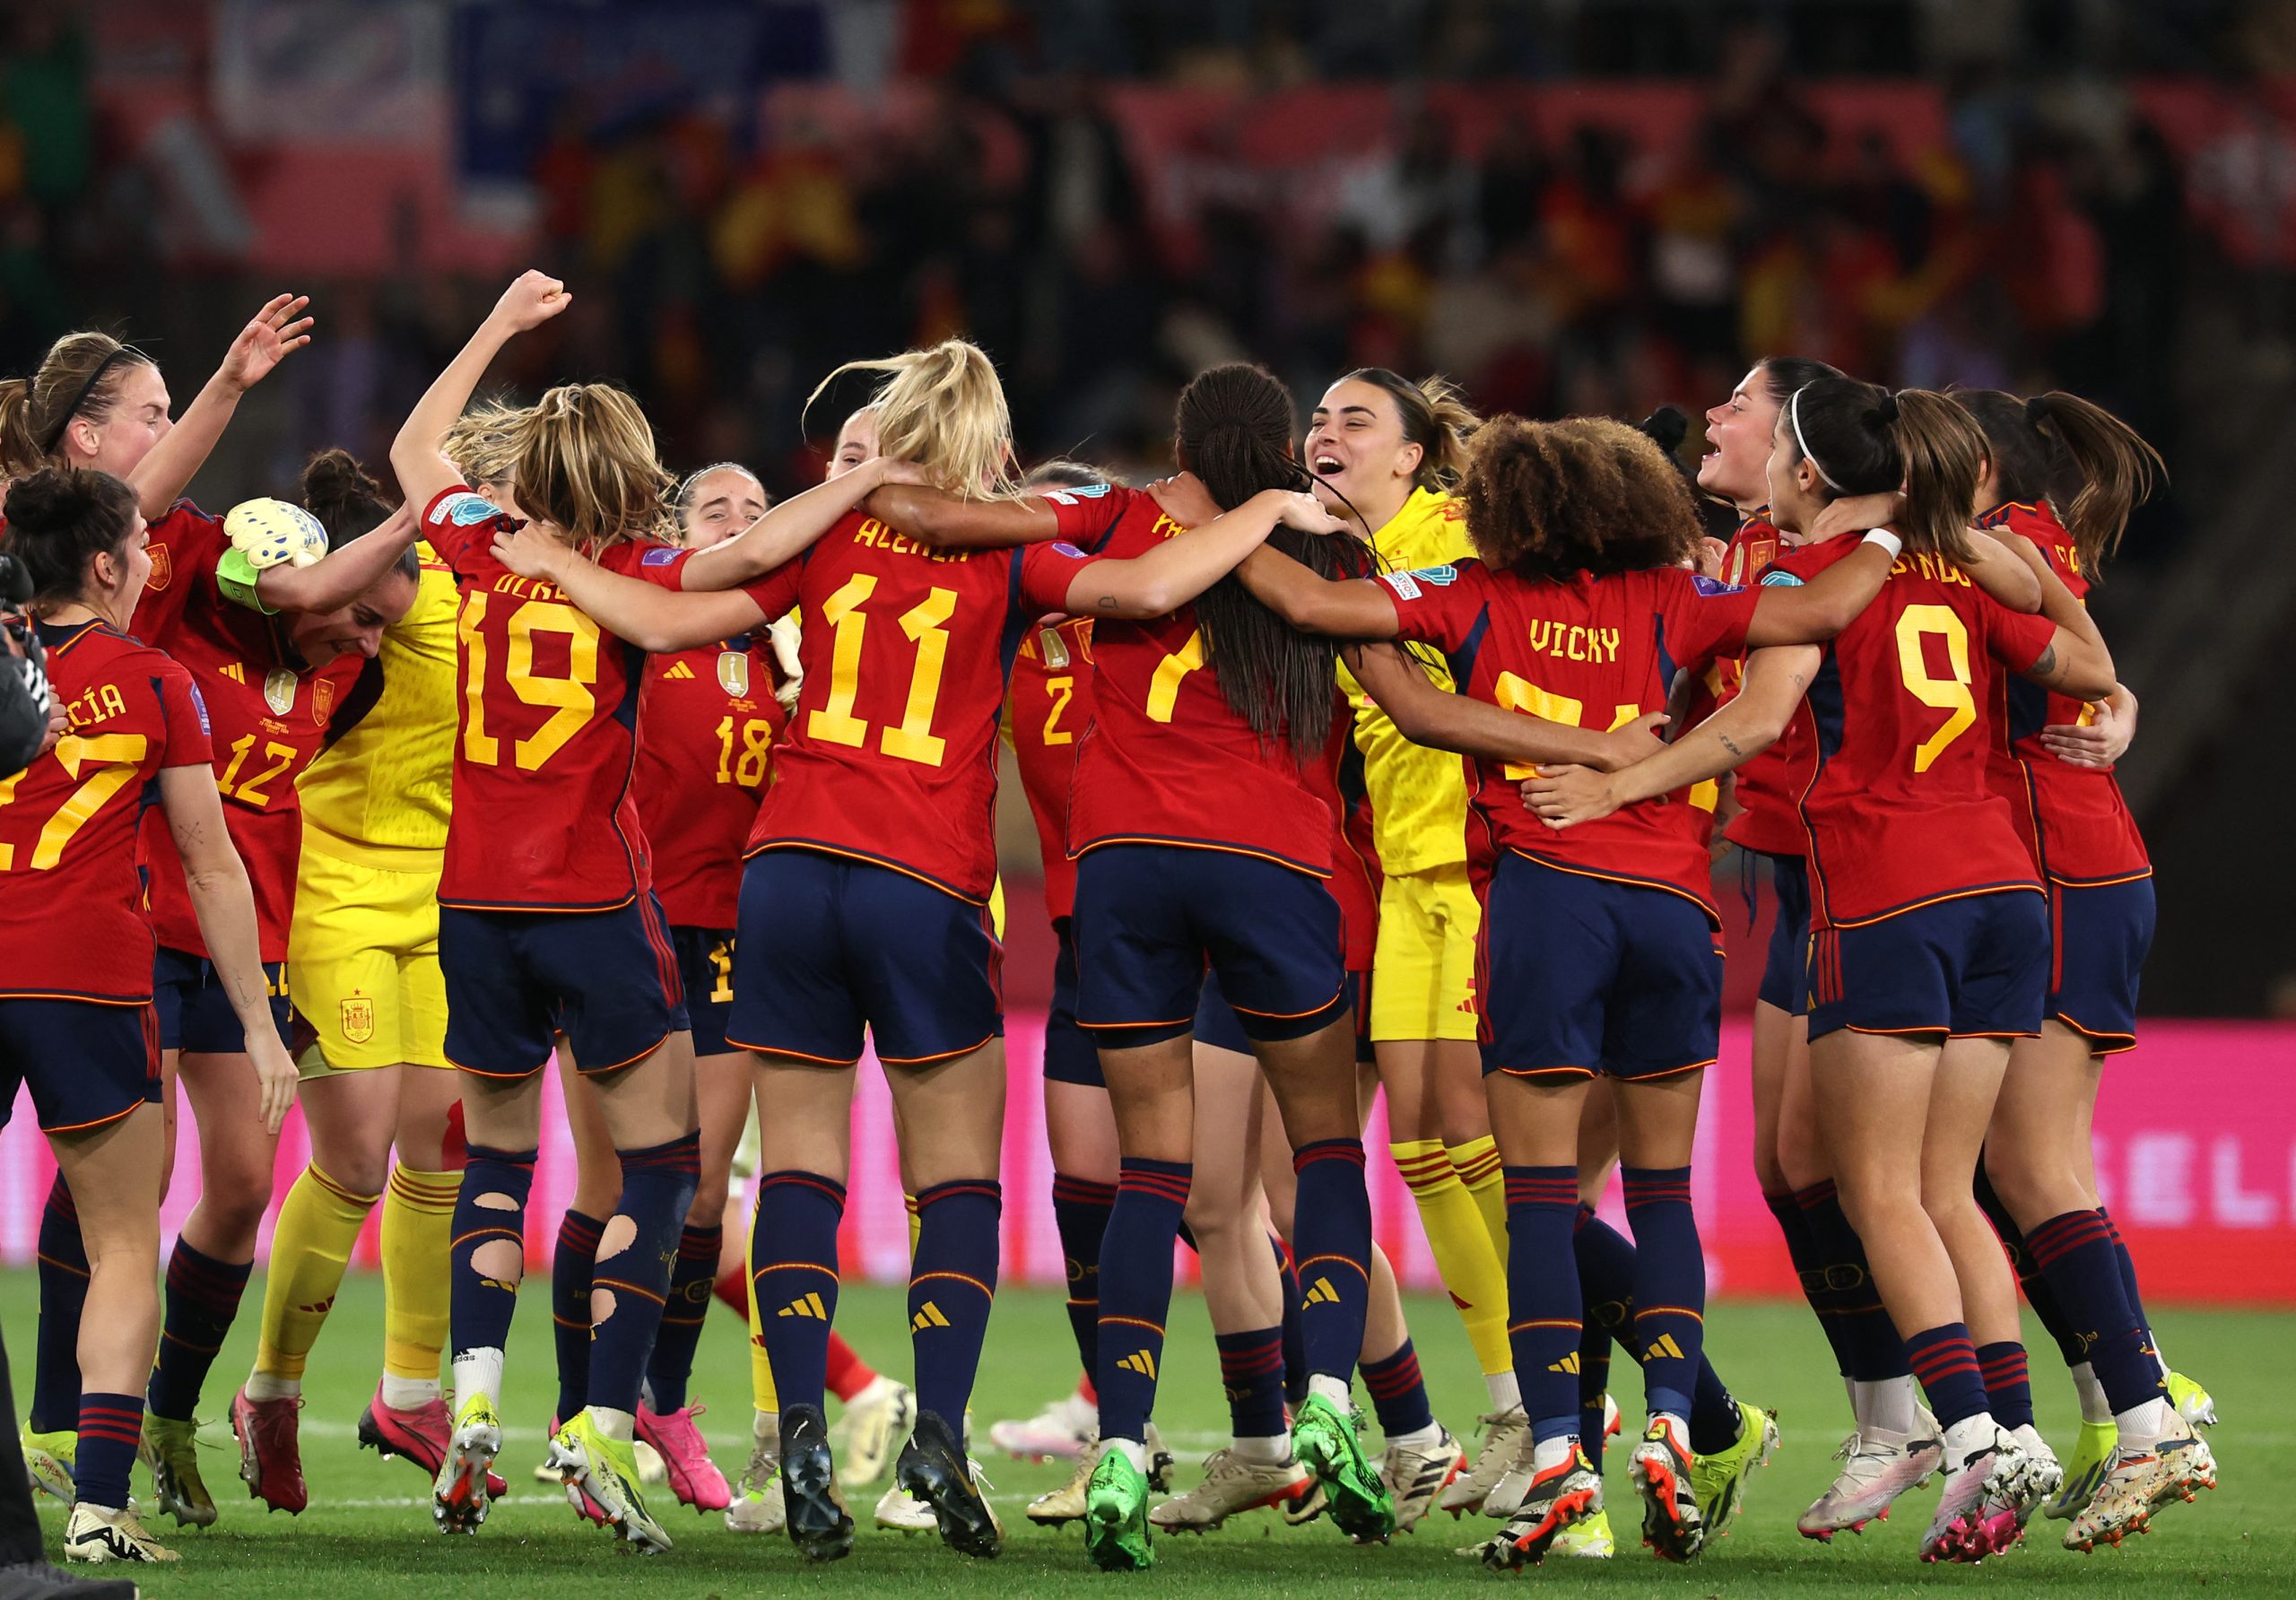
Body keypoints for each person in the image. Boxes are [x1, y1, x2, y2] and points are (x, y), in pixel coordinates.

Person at [486, 339, 1301, 1564]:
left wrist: (548, 561)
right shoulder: (1009, 551)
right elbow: (1141, 593)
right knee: (954, 1183)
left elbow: (664, 615)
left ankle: (803, 1429)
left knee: (803, 1171)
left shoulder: (825, 537)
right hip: (920, 876)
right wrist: (1266, 512)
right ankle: (937, 1438)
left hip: (787, 869)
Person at [1232, 413, 1900, 1564]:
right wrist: (1897, 524)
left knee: (1539, 1196)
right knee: (1662, 1197)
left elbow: (1311, 610)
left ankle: (1556, 1460)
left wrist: (1216, 524)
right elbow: (1826, 608)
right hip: (1674, 909)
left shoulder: (1468, 588)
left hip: (1546, 903)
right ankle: (1672, 1436)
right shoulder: (1672, 598)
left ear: (1508, 505)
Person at [1526, 379, 2120, 1562]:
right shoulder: (1959, 569)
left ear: (1805, 475)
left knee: (1880, 1192)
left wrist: (1617, 785)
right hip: (2006, 895)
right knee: (1947, 1193)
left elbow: (1753, 723)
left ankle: (1970, 1446)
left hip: (1889, 891)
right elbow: (2092, 661)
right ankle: (2005, 1425)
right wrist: (2015, 561)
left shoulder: (1812, 579)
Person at [388, 271, 721, 1553]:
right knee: (661, 1163)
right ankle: (595, 1429)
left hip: (474, 899)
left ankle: (473, 1405)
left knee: (501, 1158)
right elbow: (736, 576)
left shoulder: (477, 539)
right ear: (629, 477)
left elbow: (415, 446)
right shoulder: (639, 566)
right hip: (594, 894)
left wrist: (495, 328)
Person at [0, 467, 296, 1568]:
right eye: (139, 541)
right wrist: (261, 1024)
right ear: (108, 562)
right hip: (86, 972)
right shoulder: (158, 680)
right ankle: (98, 1505)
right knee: (124, 1238)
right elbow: (213, 869)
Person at [125, 457, 418, 1528]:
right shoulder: (186, 644)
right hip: (147, 927)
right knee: (132, 1181)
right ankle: (70, 1434)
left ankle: (168, 1417)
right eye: (350, 613)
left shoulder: (349, 680)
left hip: (248, 957)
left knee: (243, 1185)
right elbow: (159, 523)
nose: (368, 635)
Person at [237, 413, 518, 1514]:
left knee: (443, 1142)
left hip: (444, 898)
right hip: (334, 893)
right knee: (352, 1159)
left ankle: (408, 1388)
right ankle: (272, 1389)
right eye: (342, 606)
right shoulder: (306, 625)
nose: (351, 626)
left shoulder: (461, 596)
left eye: (368, 603)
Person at [1955, 387, 2218, 1551]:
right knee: (1992, 1165)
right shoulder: (2022, 539)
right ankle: (2136, 1396)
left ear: (1974, 469)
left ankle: (2152, 1412)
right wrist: (2115, 698)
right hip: (2056, 863)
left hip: (2063, 869)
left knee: (2029, 1158)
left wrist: (2113, 697)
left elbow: (2075, 668)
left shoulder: (2003, 548)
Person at [1693, 357, 1946, 1541]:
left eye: (1738, 404)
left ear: (1800, 451)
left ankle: (2044, 1409)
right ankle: (1896, 1420)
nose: (1713, 417)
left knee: (1918, 1172)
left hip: (1871, 876)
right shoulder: (1740, 547)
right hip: (1795, 878)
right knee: (1793, 1171)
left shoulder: (1860, 552)